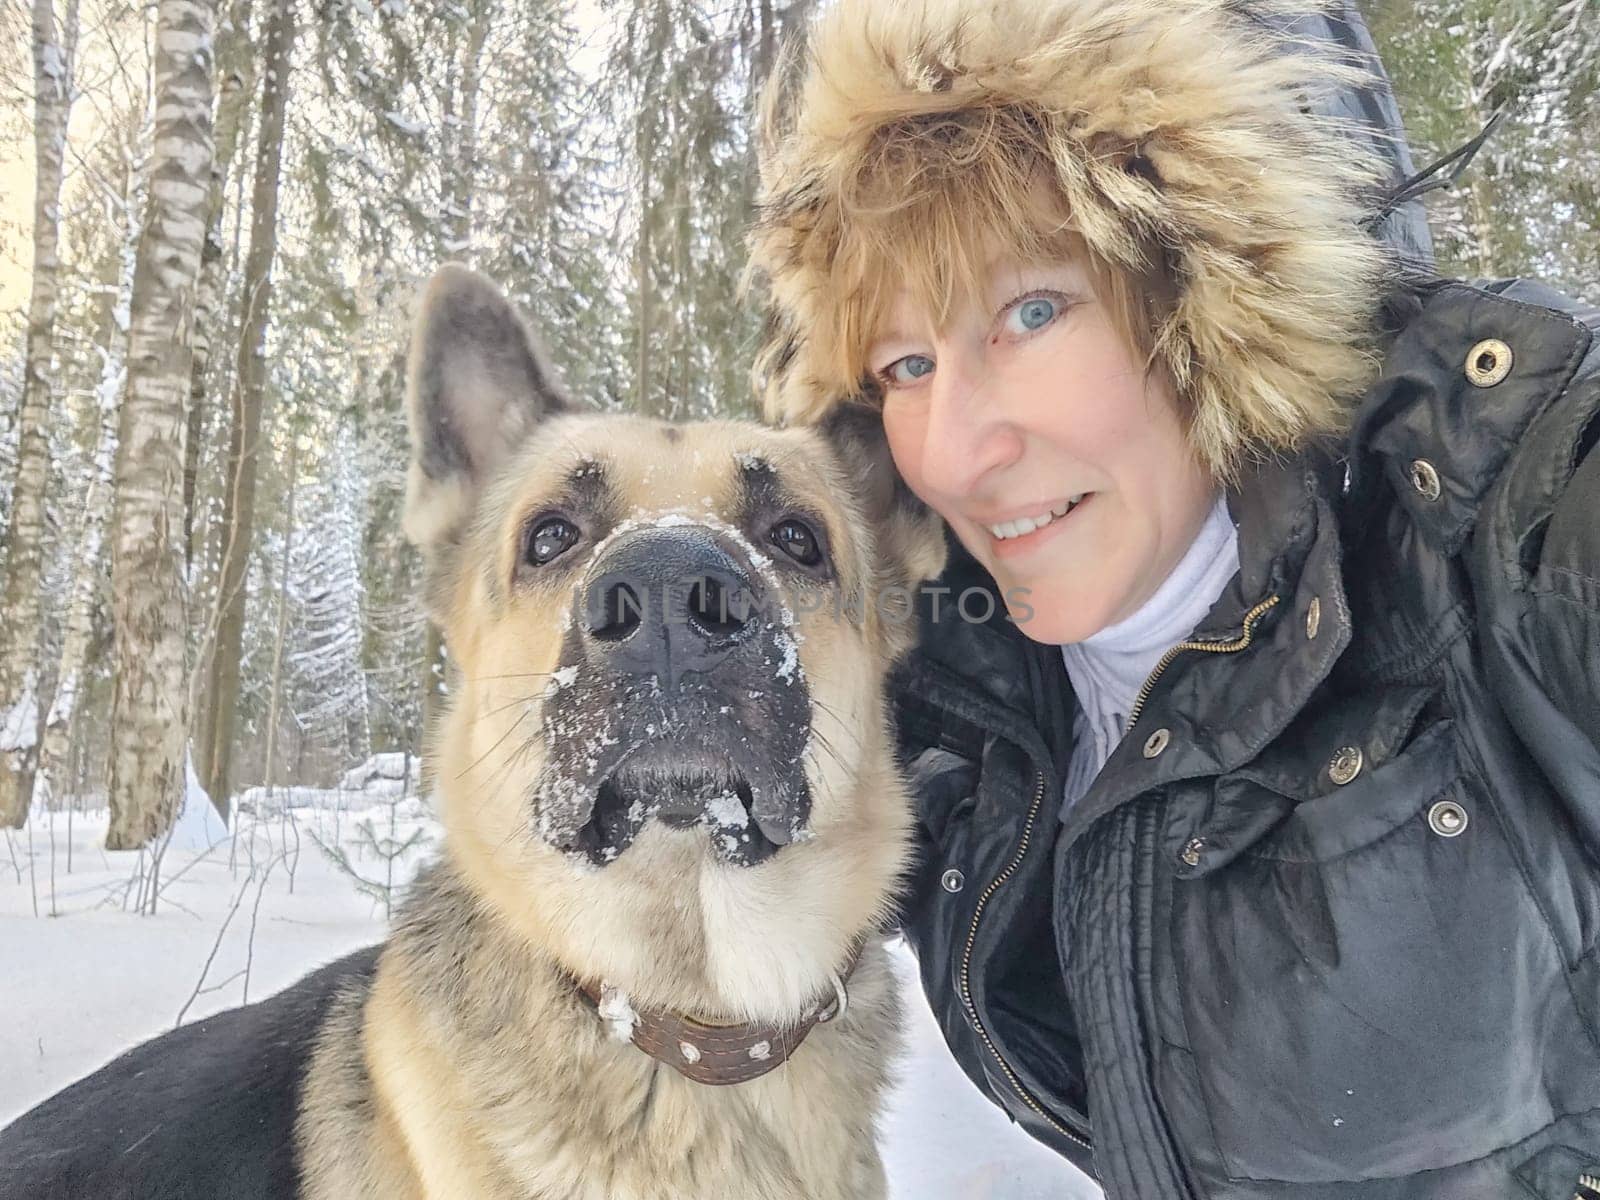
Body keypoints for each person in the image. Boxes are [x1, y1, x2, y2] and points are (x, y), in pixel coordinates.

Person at [746, 0, 1600, 1196]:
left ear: (1211, 301)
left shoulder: (1480, 517)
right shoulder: (944, 698)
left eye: (1031, 312)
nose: (954, 450)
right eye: (904, 365)